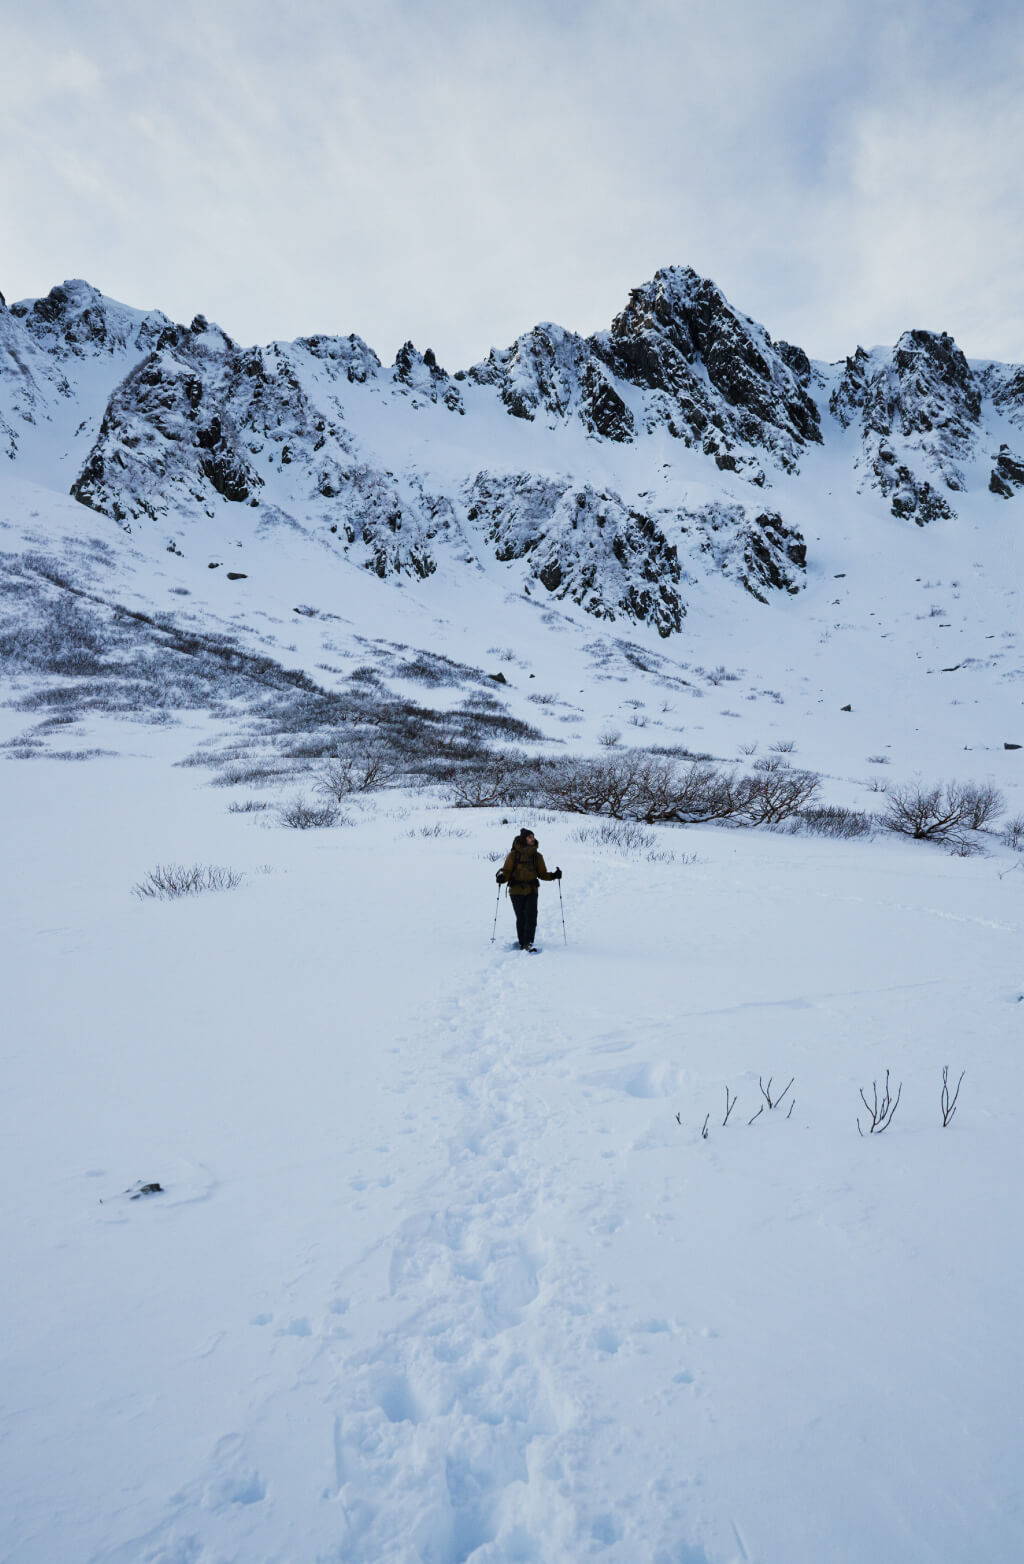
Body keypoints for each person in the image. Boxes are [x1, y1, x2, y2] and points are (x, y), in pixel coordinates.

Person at [496, 828, 562, 952]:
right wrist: (501, 878)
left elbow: (542, 874)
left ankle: (528, 943)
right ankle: (522, 943)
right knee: (521, 918)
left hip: (532, 890)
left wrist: (554, 875)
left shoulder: (537, 856)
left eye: (532, 837)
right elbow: (507, 871)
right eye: (529, 837)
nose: (532, 839)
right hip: (516, 891)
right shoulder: (513, 855)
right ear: (524, 839)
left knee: (531, 917)